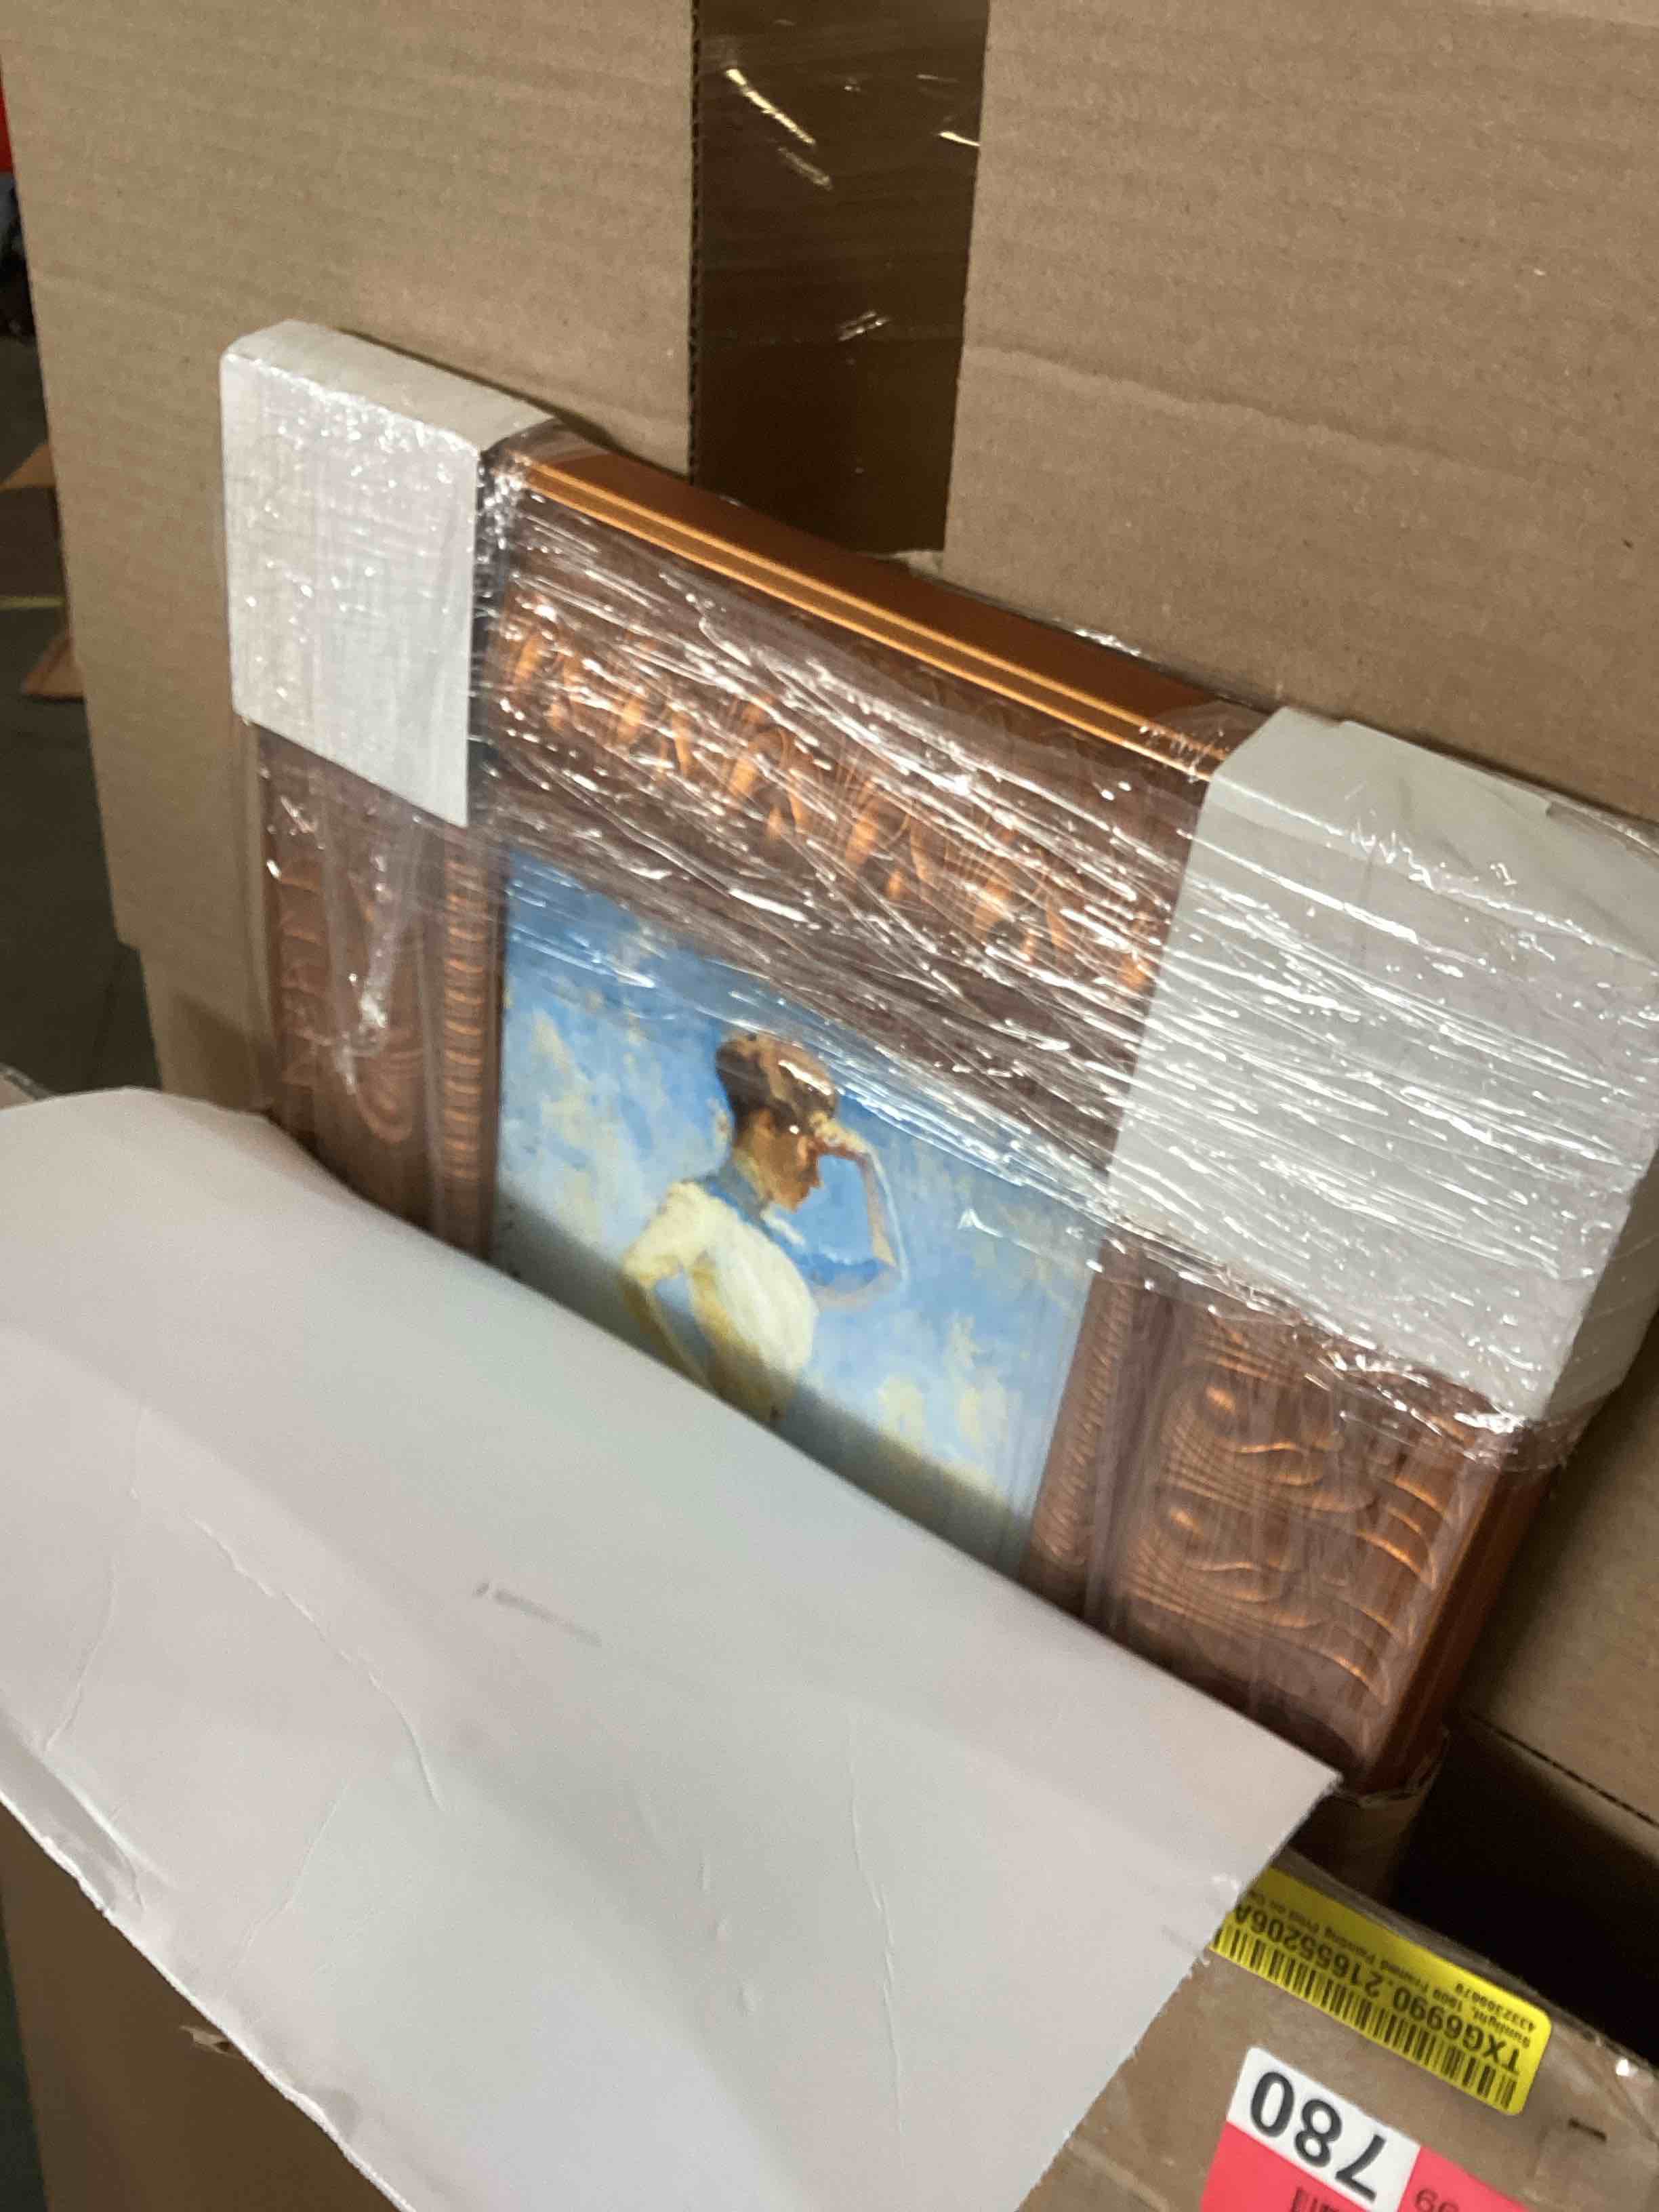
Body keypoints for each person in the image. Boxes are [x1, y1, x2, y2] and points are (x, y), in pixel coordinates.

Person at [621, 1031, 903, 1425]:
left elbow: (886, 1276)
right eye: (812, 1151)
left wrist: (869, 1167)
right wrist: (694, 1393)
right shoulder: (701, 1206)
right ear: (767, 1126)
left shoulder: (787, 1245)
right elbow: (633, 1277)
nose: (817, 1178)